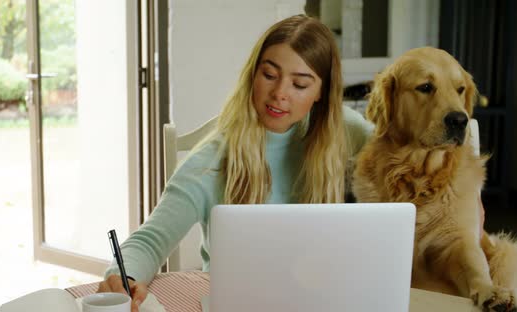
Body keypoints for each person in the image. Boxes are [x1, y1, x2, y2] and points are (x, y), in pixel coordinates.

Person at [97, 14, 374, 312]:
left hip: (320, 299)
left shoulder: (345, 130)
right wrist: (122, 277)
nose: (280, 93)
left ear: (321, 92)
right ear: (252, 75)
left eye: (300, 84)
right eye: (269, 75)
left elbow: (402, 158)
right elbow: (149, 242)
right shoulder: (211, 160)